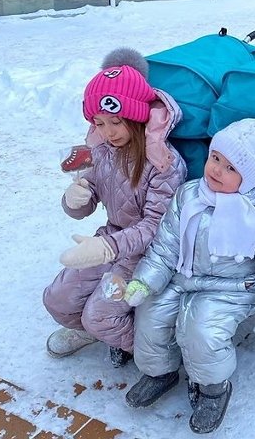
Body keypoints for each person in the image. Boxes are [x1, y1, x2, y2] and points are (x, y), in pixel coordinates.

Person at [121, 118, 255, 434]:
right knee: (150, 314)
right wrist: (145, 280)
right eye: (215, 158)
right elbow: (166, 244)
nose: (216, 170)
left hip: (231, 288)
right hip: (182, 276)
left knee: (202, 331)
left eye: (231, 168)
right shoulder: (189, 195)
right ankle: (159, 372)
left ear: (253, 179)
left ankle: (213, 389)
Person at [43, 48, 187, 366]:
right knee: (58, 299)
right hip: (113, 240)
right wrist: (75, 200)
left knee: (99, 315)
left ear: (136, 116)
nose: (108, 132)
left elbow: (157, 226)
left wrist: (108, 247)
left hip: (150, 256)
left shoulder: (164, 163)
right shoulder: (102, 150)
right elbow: (89, 194)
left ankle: (158, 353)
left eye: (116, 122)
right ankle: (99, 332)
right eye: (99, 123)